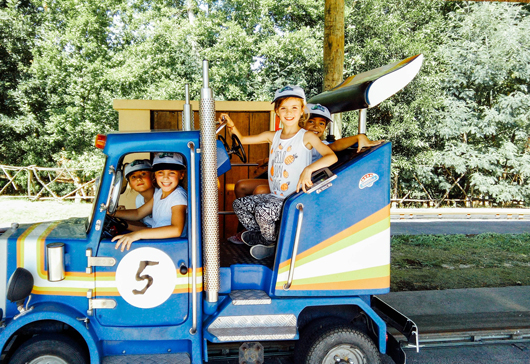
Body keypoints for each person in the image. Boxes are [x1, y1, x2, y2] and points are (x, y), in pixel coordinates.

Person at [222, 85, 338, 259]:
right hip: (275, 195)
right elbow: (243, 140)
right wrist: (231, 126)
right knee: (240, 205)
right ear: (277, 111)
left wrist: (309, 169)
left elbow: (331, 157)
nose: (288, 113)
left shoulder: (306, 137)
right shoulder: (273, 136)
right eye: (283, 108)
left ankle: (271, 243)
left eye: (294, 108)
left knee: (262, 211)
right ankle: (264, 237)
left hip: (292, 198)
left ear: (301, 111)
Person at [112, 153, 188, 252]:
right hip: (161, 244)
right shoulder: (160, 193)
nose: (165, 177)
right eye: (160, 172)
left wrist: (137, 234)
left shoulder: (178, 196)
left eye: (172, 172)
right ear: (155, 175)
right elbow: (138, 213)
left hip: (173, 247)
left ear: (181, 175)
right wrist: (112, 213)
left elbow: (176, 229)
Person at [122, 159, 156, 230]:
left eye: (143, 174)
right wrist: (122, 218)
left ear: (153, 176)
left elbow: (138, 214)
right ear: (130, 184)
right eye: (133, 177)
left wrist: (126, 225)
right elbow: (144, 224)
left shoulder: (161, 195)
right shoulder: (139, 199)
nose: (139, 179)